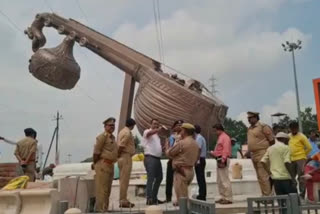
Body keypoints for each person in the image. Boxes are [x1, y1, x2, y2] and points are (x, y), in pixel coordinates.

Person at [166, 123, 199, 206]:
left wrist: (167, 145)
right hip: (190, 170)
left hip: (181, 171)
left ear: (185, 131)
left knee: (182, 199)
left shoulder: (182, 143)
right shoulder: (195, 143)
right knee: (183, 195)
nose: (180, 132)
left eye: (181, 130)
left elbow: (170, 153)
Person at [93, 117, 118, 213]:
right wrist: (96, 164)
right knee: (102, 189)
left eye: (113, 125)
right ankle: (100, 209)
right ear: (105, 126)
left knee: (107, 189)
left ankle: (105, 208)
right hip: (103, 164)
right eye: (110, 125)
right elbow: (96, 152)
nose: (112, 127)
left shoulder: (112, 138)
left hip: (110, 165)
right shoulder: (102, 137)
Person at [247, 111, 274, 196]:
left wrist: (268, 152)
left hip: (262, 152)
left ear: (256, 117)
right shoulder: (249, 128)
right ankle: (264, 193)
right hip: (253, 154)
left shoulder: (263, 126)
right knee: (259, 176)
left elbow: (272, 140)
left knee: (263, 175)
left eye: (251, 118)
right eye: (248, 118)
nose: (249, 119)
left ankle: (267, 195)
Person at [142, 119, 165, 205]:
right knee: (151, 178)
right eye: (154, 124)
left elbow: (155, 147)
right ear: (150, 124)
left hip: (157, 159)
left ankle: (154, 197)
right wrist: (159, 129)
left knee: (159, 177)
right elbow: (148, 134)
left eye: (157, 124)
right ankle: (149, 198)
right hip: (150, 158)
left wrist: (162, 149)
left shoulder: (157, 136)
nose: (156, 125)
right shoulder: (147, 131)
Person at [288, 121, 312, 199]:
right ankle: (294, 195)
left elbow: (309, 148)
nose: (293, 130)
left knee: (301, 177)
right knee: (292, 178)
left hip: (300, 159)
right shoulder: (288, 136)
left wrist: (303, 155)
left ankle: (301, 195)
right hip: (291, 159)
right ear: (290, 129)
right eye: (292, 128)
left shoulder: (302, 136)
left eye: (295, 128)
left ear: (297, 128)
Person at [211, 124, 233, 204]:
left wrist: (223, 160)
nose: (214, 132)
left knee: (224, 179)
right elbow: (220, 149)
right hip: (219, 158)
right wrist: (214, 153)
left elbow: (226, 149)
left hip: (223, 159)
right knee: (220, 180)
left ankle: (228, 198)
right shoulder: (221, 137)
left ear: (218, 129)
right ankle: (223, 196)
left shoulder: (225, 137)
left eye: (215, 131)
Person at [117, 118, 136, 208]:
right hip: (125, 157)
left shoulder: (122, 131)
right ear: (132, 125)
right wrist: (119, 154)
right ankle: (123, 200)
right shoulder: (127, 133)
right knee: (125, 180)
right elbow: (121, 145)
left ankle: (123, 199)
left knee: (123, 179)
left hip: (123, 157)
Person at [165, 120, 183, 203]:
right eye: (178, 125)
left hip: (179, 160)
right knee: (169, 179)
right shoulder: (171, 137)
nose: (179, 126)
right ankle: (168, 197)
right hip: (171, 159)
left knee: (179, 180)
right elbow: (168, 146)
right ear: (174, 126)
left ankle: (179, 198)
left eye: (181, 125)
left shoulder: (183, 137)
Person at [194, 124, 207, 201]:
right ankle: (202, 194)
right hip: (201, 159)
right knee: (200, 178)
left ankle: (202, 195)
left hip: (200, 159)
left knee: (200, 178)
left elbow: (198, 150)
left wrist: (196, 160)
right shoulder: (200, 137)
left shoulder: (198, 138)